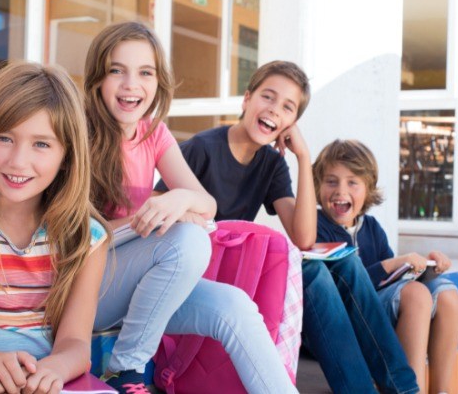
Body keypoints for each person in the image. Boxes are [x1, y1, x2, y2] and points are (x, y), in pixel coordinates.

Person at [155, 60, 419, 394]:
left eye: (287, 107)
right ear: (247, 99)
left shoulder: (271, 163)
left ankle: (405, 389)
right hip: (202, 273)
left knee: (347, 262)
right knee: (310, 275)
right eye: (267, 97)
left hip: (240, 271)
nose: (273, 110)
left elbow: (304, 237)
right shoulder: (201, 149)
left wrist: (303, 157)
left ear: (291, 123)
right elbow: (158, 211)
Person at [85, 21, 298, 394]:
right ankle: (126, 368)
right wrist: (143, 222)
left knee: (235, 306)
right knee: (189, 238)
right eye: (116, 70)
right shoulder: (78, 131)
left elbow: (207, 204)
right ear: (97, 79)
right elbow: (71, 237)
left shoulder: (152, 132)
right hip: (86, 288)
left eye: (145, 73)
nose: (131, 84)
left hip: (135, 284)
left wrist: (180, 198)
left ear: (158, 82)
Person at [0, 62, 110, 394]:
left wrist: (55, 368)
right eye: (4, 138)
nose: (17, 161)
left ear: (66, 156)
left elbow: (75, 342)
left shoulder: (85, 239)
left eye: (41, 144)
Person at [313, 139, 458, 394]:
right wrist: (391, 263)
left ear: (368, 188)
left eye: (352, 182)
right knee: (415, 295)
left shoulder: (371, 227)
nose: (340, 190)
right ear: (317, 186)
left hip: (378, 313)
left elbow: (394, 281)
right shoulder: (315, 227)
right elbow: (339, 290)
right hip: (345, 320)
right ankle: (410, 390)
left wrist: (425, 267)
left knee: (448, 295)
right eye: (331, 181)